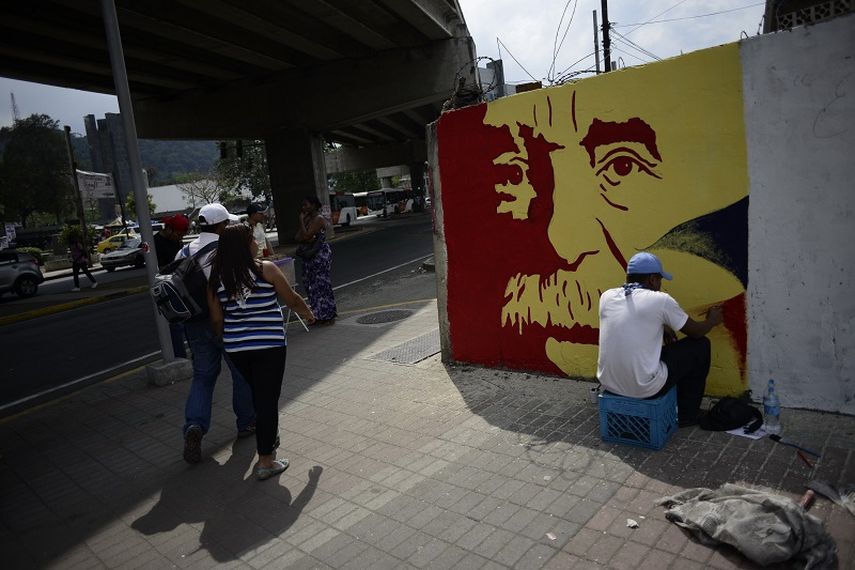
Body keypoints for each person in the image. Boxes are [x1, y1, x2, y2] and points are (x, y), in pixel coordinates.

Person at [207, 224, 315, 480]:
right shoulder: (265, 269)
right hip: (269, 346)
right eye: (252, 239)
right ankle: (266, 460)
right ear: (245, 245)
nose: (256, 242)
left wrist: (231, 339)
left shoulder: (216, 277)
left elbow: (216, 320)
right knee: (267, 401)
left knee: (259, 395)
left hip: (237, 349)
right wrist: (308, 314)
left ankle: (269, 437)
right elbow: (291, 299)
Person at [596, 252, 723, 427]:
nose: (660, 286)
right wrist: (712, 320)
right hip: (645, 387)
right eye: (660, 281)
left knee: (660, 351)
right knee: (700, 346)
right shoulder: (660, 300)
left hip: (609, 383)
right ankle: (687, 414)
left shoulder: (607, 296)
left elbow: (632, 319)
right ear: (653, 279)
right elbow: (696, 332)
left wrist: (662, 326)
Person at [177, 203, 256, 464]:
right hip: (225, 320)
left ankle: (194, 426)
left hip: (195, 323)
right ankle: (246, 422)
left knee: (203, 376)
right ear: (221, 226)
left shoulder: (184, 250)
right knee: (241, 372)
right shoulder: (225, 251)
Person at [295, 196, 337, 324]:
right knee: (311, 286)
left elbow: (306, 235)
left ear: (313, 205)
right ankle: (318, 315)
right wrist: (306, 233)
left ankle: (328, 315)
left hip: (318, 255)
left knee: (321, 285)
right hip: (308, 255)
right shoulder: (309, 219)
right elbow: (298, 237)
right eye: (303, 206)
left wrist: (302, 222)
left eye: (306, 205)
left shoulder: (318, 218)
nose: (304, 208)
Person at [154, 214, 190, 358]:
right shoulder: (156, 242)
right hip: (167, 287)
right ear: (169, 229)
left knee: (188, 320)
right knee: (176, 324)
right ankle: (180, 356)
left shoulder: (176, 242)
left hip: (182, 285)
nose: (180, 238)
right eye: (179, 235)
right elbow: (159, 268)